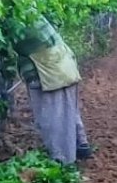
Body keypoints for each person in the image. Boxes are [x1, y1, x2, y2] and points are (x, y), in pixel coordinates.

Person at [16, 17, 93, 164]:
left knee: (52, 118)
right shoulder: (30, 10)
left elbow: (4, 45)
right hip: (63, 64)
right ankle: (79, 144)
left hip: (49, 73)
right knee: (68, 111)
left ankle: (62, 161)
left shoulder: (13, 18)